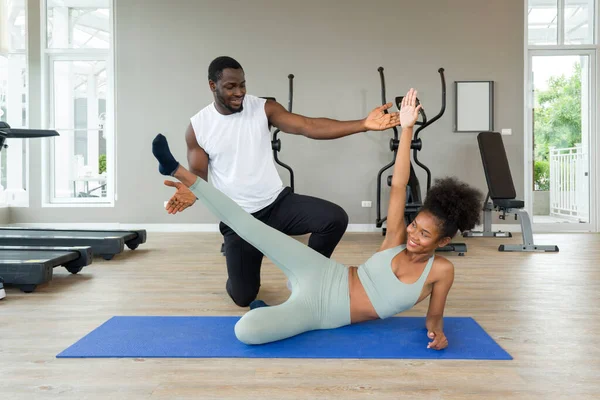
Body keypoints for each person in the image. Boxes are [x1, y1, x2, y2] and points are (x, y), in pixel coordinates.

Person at [152, 88, 484, 349]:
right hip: (325, 272)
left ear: (443, 242)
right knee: (247, 225)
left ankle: (271, 311)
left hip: (323, 310)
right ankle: (175, 169)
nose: (413, 235)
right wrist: (407, 128)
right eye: (415, 225)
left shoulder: (441, 271)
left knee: (246, 331)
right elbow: (398, 184)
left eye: (425, 235)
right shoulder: (395, 238)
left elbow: (434, 318)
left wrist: (438, 335)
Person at [163, 56, 403, 307]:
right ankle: (238, 271)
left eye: (243, 85)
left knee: (334, 218)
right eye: (231, 87)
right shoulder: (198, 126)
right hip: (237, 218)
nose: (240, 92)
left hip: (277, 205)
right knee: (243, 297)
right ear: (213, 86)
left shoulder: (263, 108)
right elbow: (199, 173)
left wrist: (363, 124)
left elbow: (307, 126)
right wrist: (192, 190)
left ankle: (308, 276)